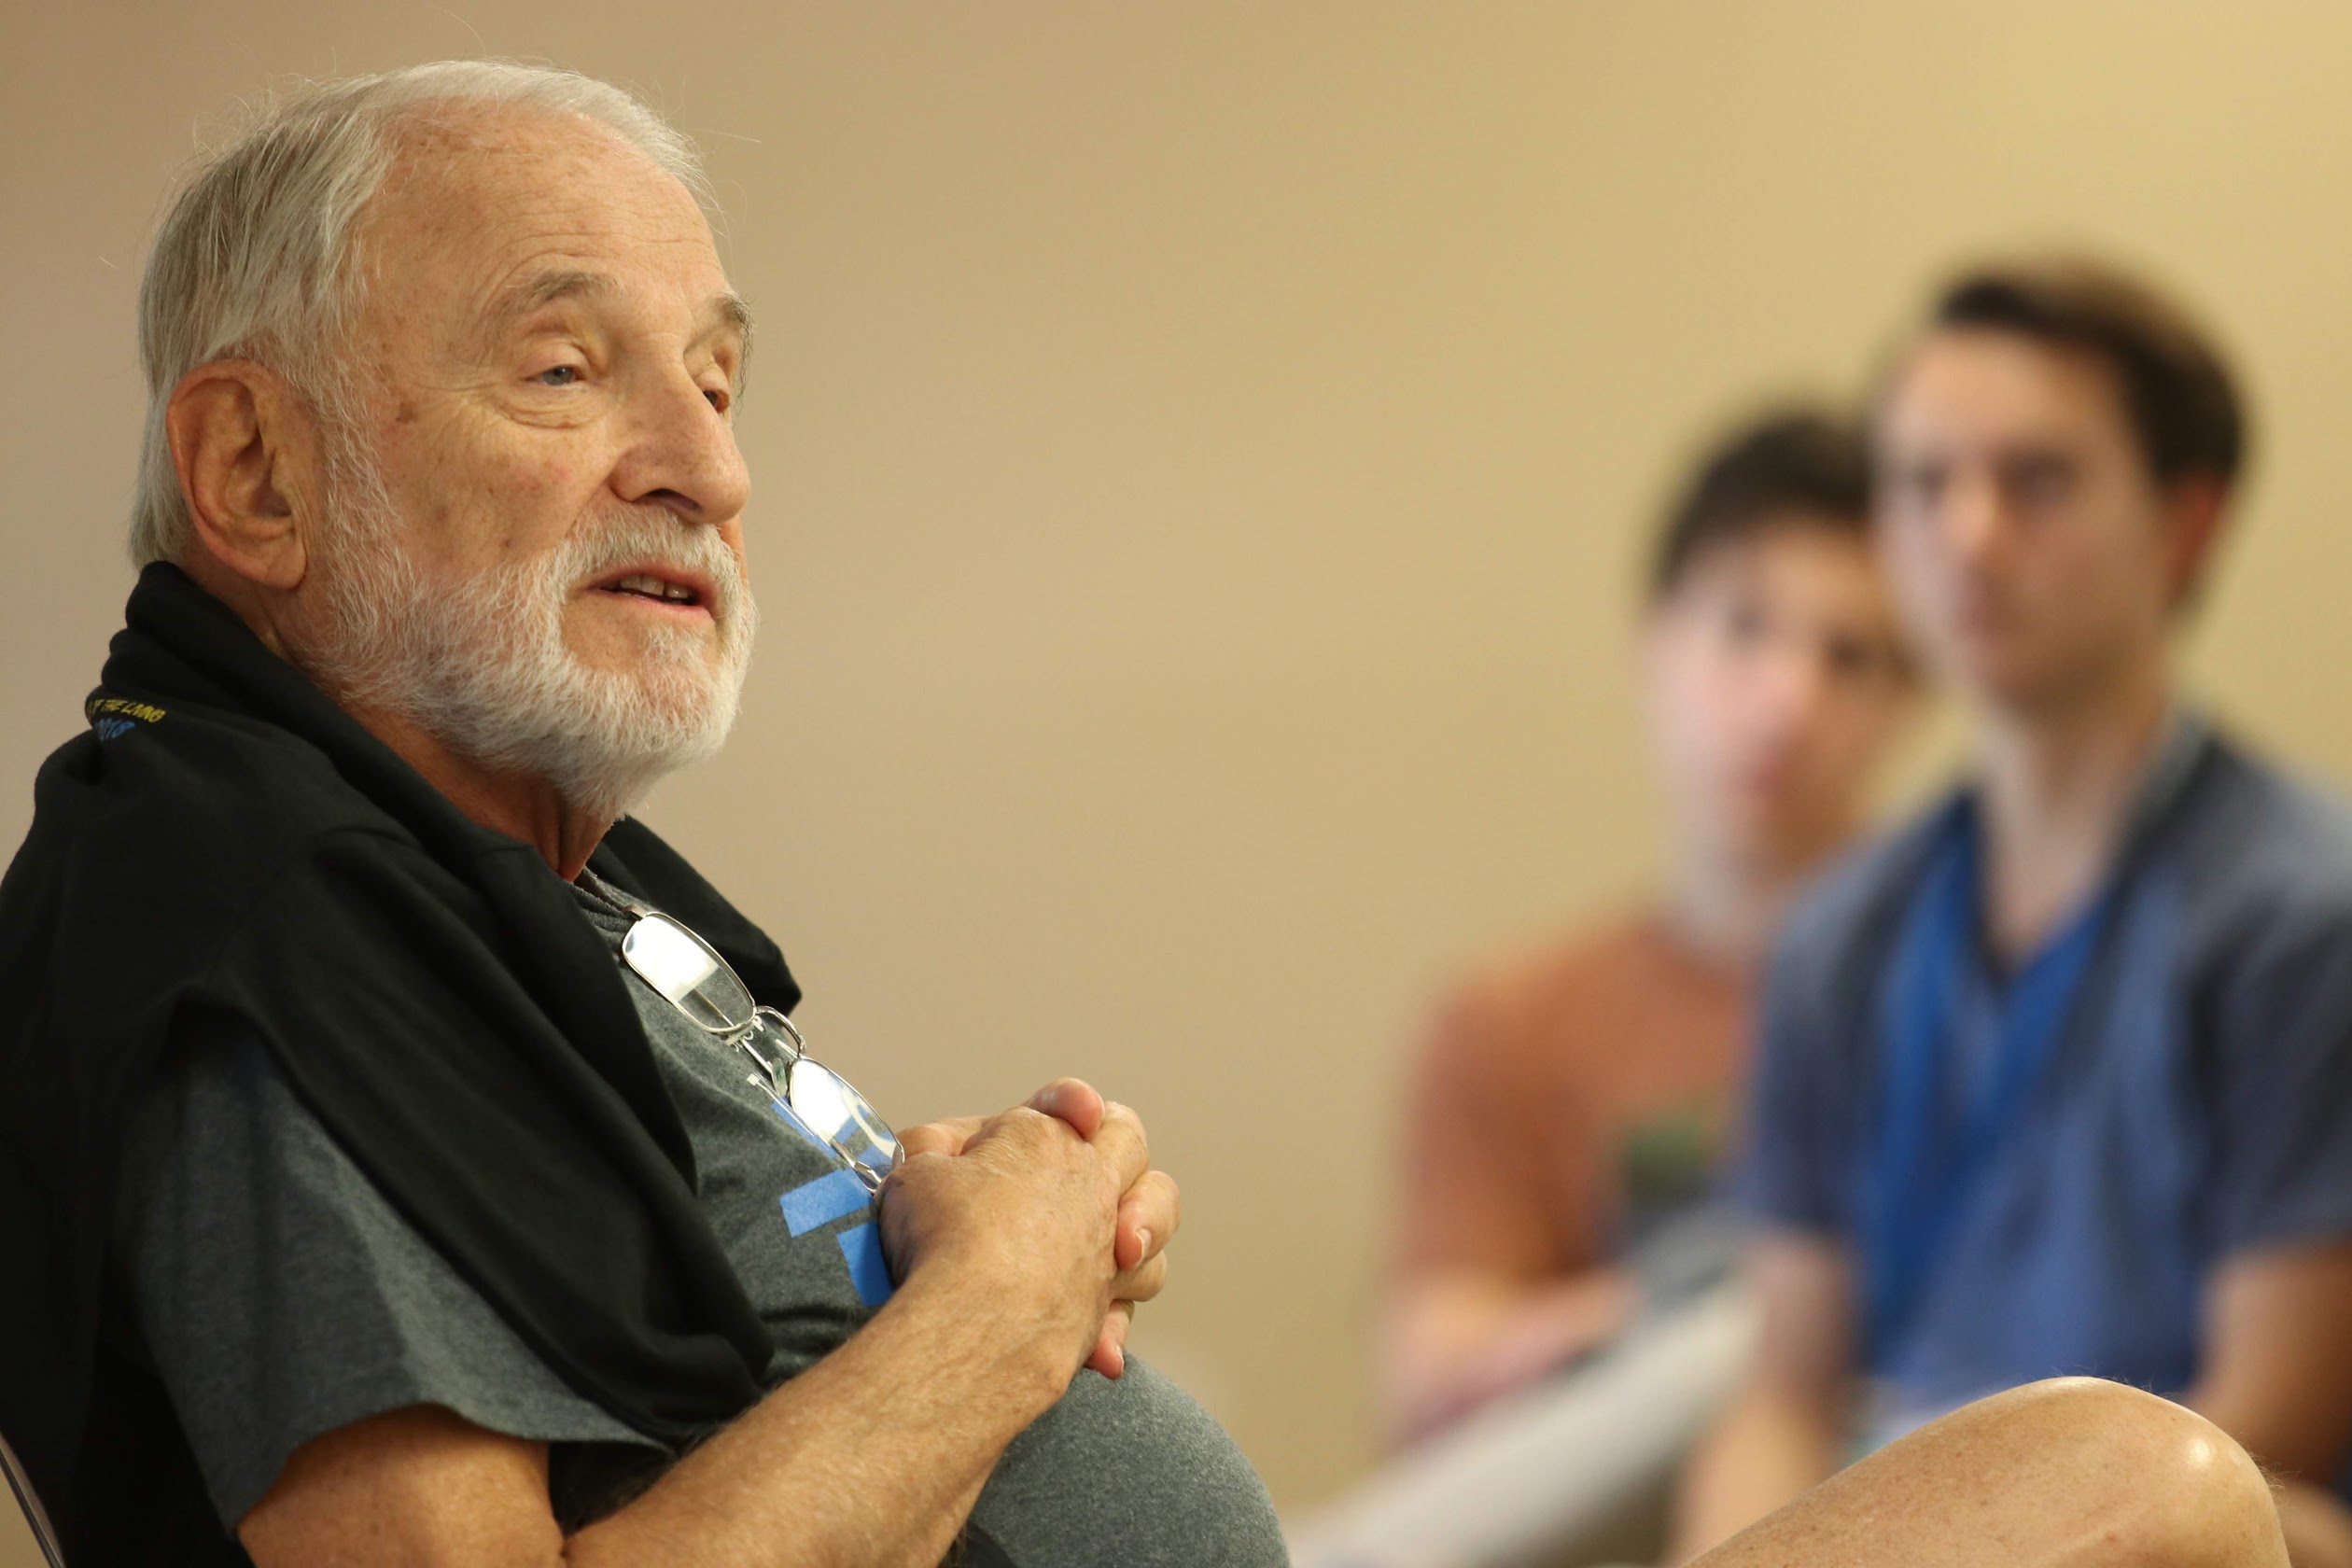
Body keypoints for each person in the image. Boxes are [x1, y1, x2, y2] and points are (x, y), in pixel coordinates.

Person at [0, 65, 2304, 1568]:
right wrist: (993, 1308)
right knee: (2153, 1508)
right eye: (569, 364)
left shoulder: (510, 894)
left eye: (718, 377)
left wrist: (973, 1213)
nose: (703, 461)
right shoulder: (249, 911)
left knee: (2126, 1477)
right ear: (254, 475)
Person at [1675, 259, 2352, 1568]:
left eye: (2037, 482)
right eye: (1924, 484)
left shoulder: (2301, 923)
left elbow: (2266, 1432)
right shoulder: (1841, 938)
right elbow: (1783, 1392)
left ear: (2187, 522)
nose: (1969, 536)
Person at [1292, 411, 1915, 1568]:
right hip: (1598, 1501)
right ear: (1656, 641)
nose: (1787, 699)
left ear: (1915, 700)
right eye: (1745, 629)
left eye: (1851, 656)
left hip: (1895, 1488)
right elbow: (1430, 1375)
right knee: (1743, 1329)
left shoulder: (1959, 996)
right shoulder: (1511, 1015)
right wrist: (1660, 1316)